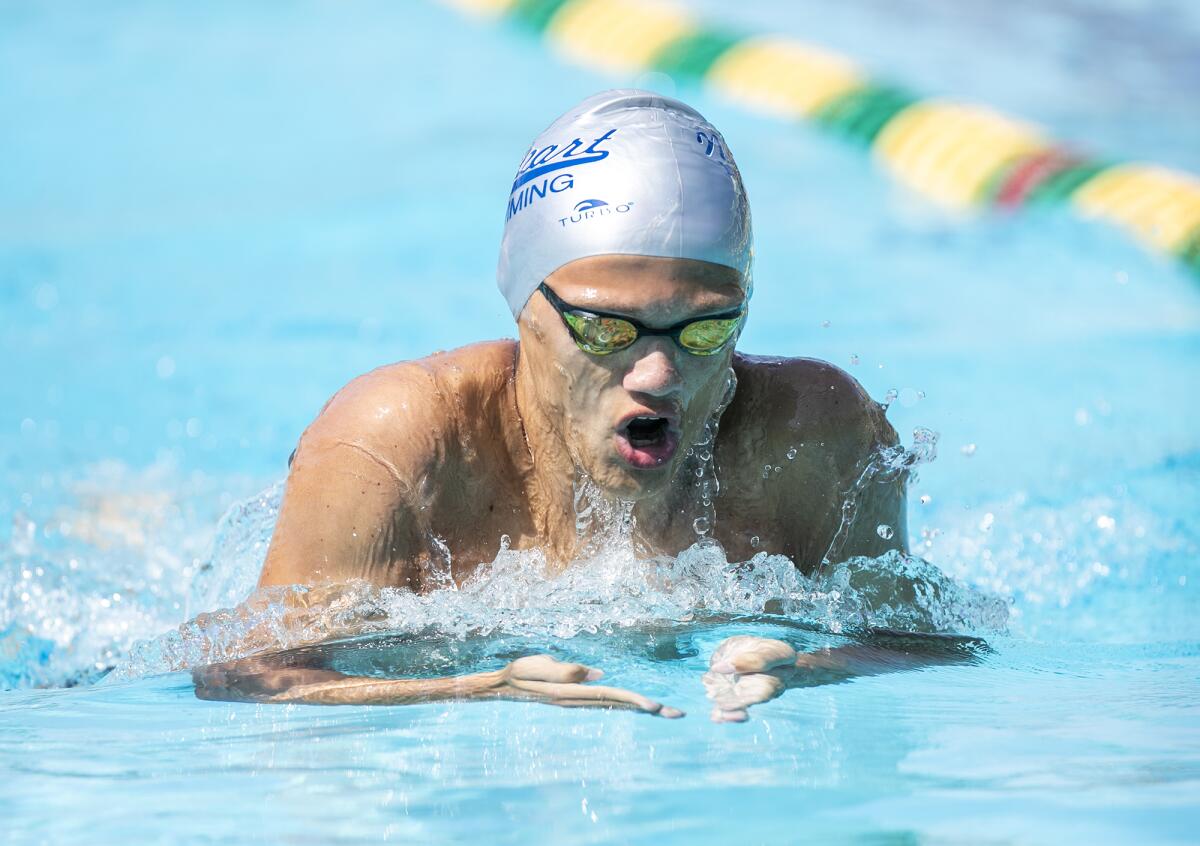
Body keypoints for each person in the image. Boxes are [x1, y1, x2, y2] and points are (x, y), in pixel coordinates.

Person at [194, 90, 938, 722]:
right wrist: (479, 687)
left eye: (705, 328)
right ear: (526, 306)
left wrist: (820, 665)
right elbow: (240, 675)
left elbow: (925, 640)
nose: (658, 373)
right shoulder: (394, 446)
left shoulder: (819, 440)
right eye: (608, 327)